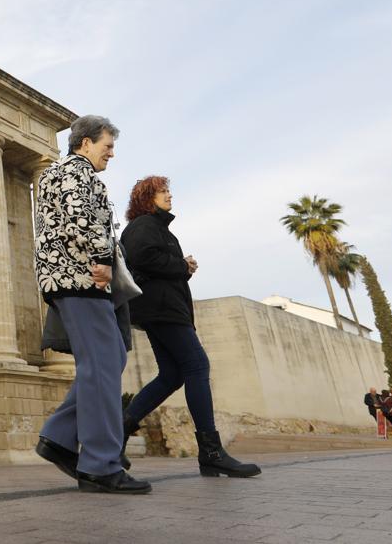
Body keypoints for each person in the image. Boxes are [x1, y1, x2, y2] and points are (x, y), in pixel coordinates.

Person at [34, 115, 152, 495]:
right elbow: (81, 218)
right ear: (85, 143)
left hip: (76, 278)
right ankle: (101, 464)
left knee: (109, 358)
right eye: (108, 146)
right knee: (102, 364)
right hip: (81, 277)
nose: (111, 154)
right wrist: (101, 258)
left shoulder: (67, 172)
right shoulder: (74, 171)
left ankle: (58, 436)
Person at [118, 176, 261, 479]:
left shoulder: (157, 228)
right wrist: (181, 265)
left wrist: (183, 267)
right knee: (197, 365)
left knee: (172, 375)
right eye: (163, 192)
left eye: (168, 191)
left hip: (165, 309)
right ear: (147, 198)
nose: (169, 196)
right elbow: (143, 258)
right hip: (162, 310)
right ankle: (211, 451)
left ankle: (118, 431)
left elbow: (154, 263)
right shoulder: (144, 226)